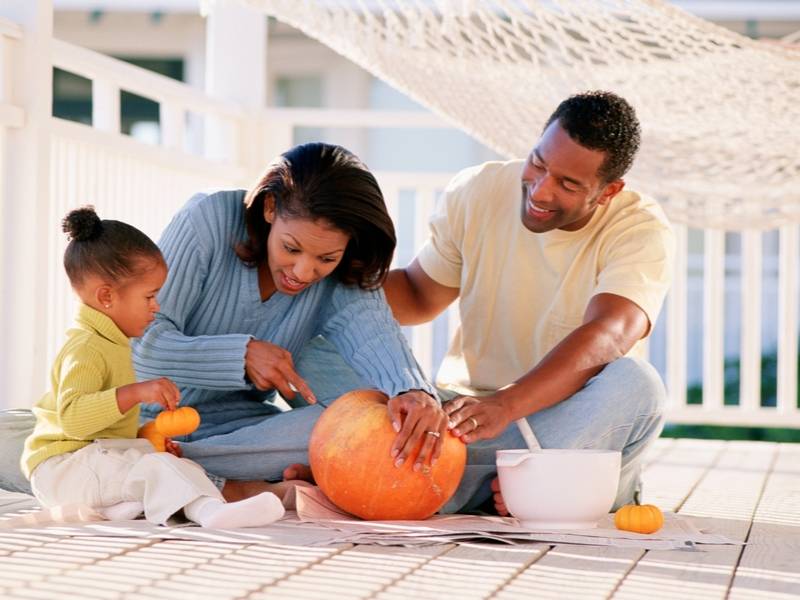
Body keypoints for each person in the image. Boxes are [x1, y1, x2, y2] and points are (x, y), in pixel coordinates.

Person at [302, 91, 674, 514]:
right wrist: (327, 278)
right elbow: (421, 295)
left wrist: (507, 403)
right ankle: (524, 485)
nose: (541, 190)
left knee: (638, 385)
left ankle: (422, 478)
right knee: (317, 336)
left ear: (608, 191)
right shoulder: (479, 188)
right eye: (538, 163)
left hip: (561, 417)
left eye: (568, 184)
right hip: (460, 416)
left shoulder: (640, 228)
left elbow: (610, 333)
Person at [130, 142, 449, 495]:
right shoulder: (206, 221)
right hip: (151, 420)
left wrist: (414, 391)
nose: (303, 271)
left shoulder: (341, 273)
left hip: (243, 432)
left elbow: (375, 335)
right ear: (270, 208)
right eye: (291, 248)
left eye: (326, 258)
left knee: (360, 431)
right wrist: (242, 355)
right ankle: (171, 467)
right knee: (351, 447)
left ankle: (182, 469)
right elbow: (145, 350)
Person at [21, 207, 287, 528]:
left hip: (89, 462)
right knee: (152, 468)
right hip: (61, 469)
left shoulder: (113, 341)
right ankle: (210, 513)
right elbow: (76, 421)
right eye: (149, 296)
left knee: (166, 461)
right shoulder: (86, 347)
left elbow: (105, 429)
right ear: (106, 297)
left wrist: (148, 437)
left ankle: (119, 507)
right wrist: (136, 393)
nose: (156, 307)